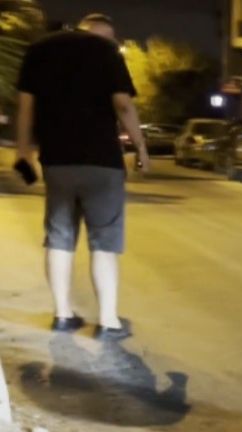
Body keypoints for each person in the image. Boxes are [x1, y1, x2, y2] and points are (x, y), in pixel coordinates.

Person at [16, 13, 149, 341]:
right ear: (102, 33)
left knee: (59, 239)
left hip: (57, 161)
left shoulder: (41, 50)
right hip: (102, 163)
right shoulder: (106, 52)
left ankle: (62, 315)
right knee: (104, 242)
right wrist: (141, 148)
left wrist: (23, 152)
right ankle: (107, 321)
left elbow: (26, 107)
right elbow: (123, 104)